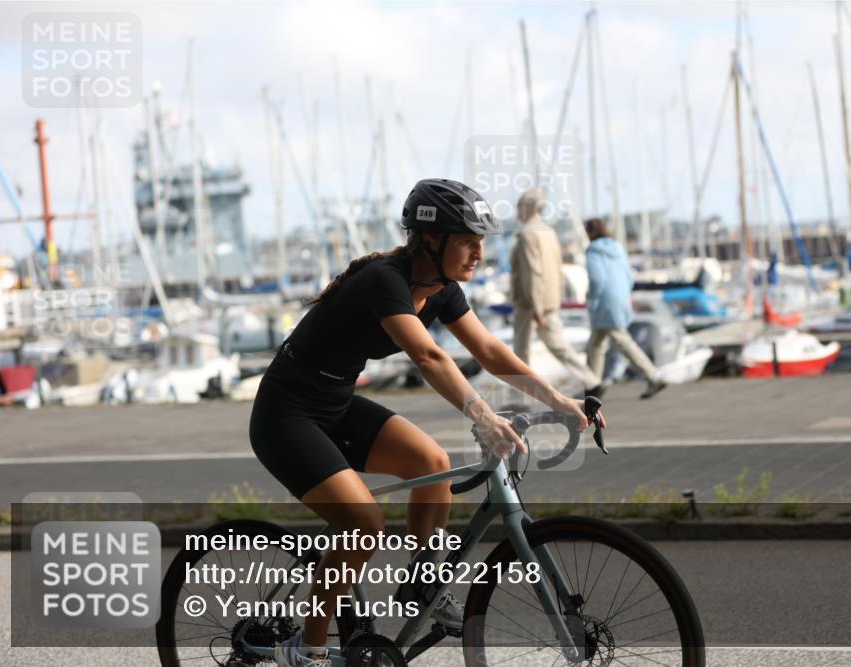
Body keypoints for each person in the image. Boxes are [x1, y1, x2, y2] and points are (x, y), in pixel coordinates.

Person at [249, 178, 602, 667]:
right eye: (468, 241)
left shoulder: (441, 289)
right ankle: (303, 649)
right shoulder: (385, 282)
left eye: (481, 241)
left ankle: (422, 586)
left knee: (431, 463)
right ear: (430, 240)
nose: (479, 252)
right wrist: (481, 414)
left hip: (335, 405)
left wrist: (562, 401)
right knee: (363, 525)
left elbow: (491, 352)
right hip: (285, 415)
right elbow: (427, 355)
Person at [509, 187, 605, 398]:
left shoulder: (527, 234)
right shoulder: (548, 231)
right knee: (558, 345)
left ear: (529, 207)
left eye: (519, 204)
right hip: (550, 300)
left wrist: (536, 308)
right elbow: (557, 267)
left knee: (521, 352)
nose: (516, 209)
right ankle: (591, 380)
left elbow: (531, 273)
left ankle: (520, 397)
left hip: (530, 303)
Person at [583, 217, 667, 400]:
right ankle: (592, 385)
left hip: (605, 301)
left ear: (589, 232)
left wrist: (593, 301)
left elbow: (597, 279)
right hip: (620, 297)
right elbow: (629, 276)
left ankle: (653, 375)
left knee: (620, 341)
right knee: (596, 344)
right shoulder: (618, 248)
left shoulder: (593, 252)